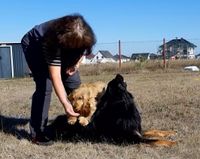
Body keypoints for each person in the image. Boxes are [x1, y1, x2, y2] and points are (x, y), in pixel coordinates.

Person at [21, 13, 96, 145]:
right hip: (35, 46)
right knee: (45, 86)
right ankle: (38, 133)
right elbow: (55, 76)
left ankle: (82, 124)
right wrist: (66, 104)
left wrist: (75, 65)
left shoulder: (84, 33)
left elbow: (82, 52)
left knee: (75, 85)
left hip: (66, 43)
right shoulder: (52, 41)